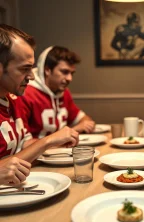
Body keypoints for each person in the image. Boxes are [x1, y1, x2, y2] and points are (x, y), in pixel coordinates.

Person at [0, 24, 79, 184]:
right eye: (24, 69)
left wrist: (55, 141)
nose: (32, 76)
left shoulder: (13, 99)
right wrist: (47, 141)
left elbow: (24, 145)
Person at [18, 46, 95, 138]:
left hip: (60, 150)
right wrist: (74, 130)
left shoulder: (63, 92)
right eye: (64, 72)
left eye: (72, 73)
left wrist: (85, 124)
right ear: (47, 70)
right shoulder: (25, 93)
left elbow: (84, 119)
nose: (69, 78)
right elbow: (23, 144)